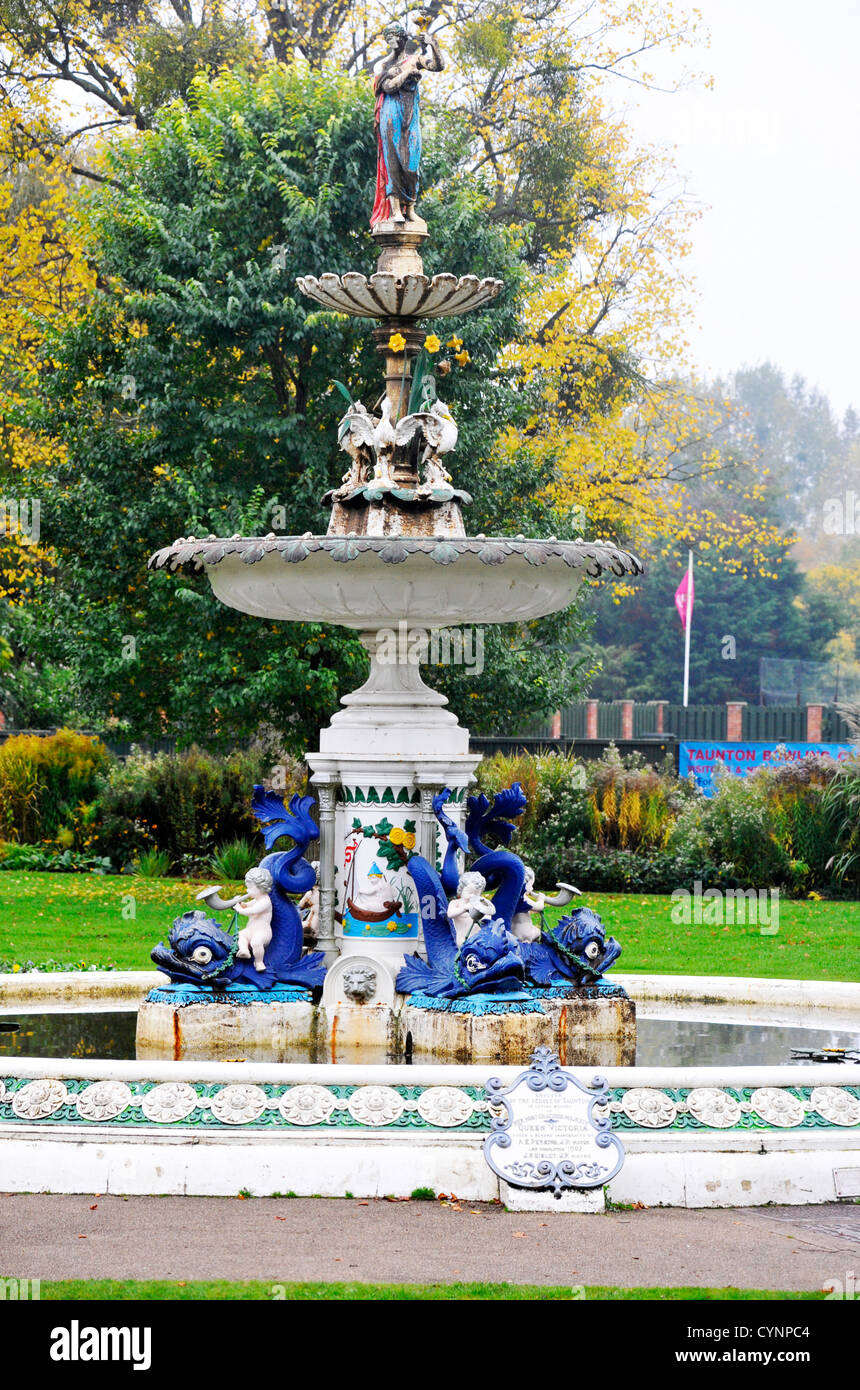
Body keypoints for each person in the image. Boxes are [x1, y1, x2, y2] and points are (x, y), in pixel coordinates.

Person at [370, 21, 443, 227]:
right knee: (393, 162)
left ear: (403, 39)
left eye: (396, 38)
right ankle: (395, 211)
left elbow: (438, 66)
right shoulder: (382, 66)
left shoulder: (414, 59)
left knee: (412, 163)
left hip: (410, 115)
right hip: (390, 116)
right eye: (389, 39)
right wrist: (407, 74)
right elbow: (388, 86)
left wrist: (433, 44)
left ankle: (410, 208)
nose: (393, 43)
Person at [230, 866, 274, 972]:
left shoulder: (265, 901)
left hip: (262, 933)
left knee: (256, 942)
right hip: (251, 930)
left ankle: (259, 962)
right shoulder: (257, 899)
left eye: (250, 888)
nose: (247, 890)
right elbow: (247, 906)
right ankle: (244, 951)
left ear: (261, 887)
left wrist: (240, 909)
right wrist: (241, 903)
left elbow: (252, 911)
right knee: (241, 934)